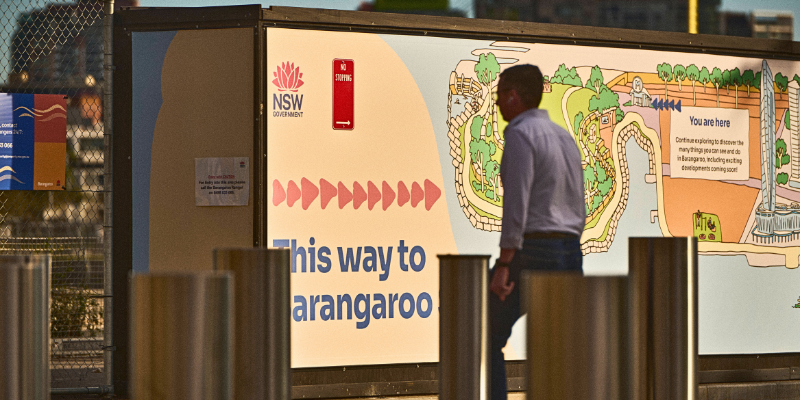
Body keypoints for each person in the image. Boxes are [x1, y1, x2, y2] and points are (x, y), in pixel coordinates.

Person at [489, 64, 586, 400]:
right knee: (558, 349)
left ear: (516, 96)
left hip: (533, 250)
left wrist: (504, 264)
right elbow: (577, 203)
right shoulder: (563, 136)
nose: (497, 102)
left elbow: (517, 205)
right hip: (571, 251)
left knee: (481, 330)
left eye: (501, 94)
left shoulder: (520, 134)